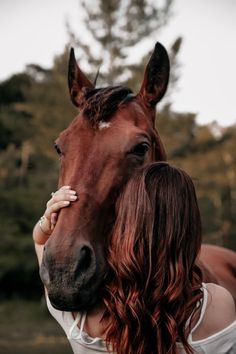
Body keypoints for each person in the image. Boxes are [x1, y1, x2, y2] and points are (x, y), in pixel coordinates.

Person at [33, 162, 236, 354]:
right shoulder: (218, 305)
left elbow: (42, 247)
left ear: (124, 224)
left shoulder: (82, 316)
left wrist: (46, 222)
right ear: (189, 228)